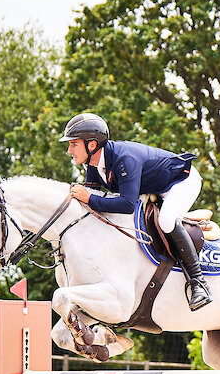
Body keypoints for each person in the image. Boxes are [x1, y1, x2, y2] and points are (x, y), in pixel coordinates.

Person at [60, 112, 212, 311]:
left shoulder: (125, 159)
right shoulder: (94, 164)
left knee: (166, 221)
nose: (69, 150)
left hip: (181, 182)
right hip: (156, 187)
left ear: (91, 144)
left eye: (73, 144)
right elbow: (93, 198)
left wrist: (88, 198)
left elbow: (126, 205)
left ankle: (199, 283)